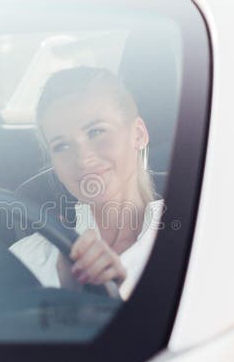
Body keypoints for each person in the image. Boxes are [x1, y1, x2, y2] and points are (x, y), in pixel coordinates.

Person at [10, 67, 164, 300]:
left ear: (138, 135)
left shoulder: (196, 240)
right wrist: (69, 296)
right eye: (62, 146)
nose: (82, 159)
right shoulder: (23, 261)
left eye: (96, 132)